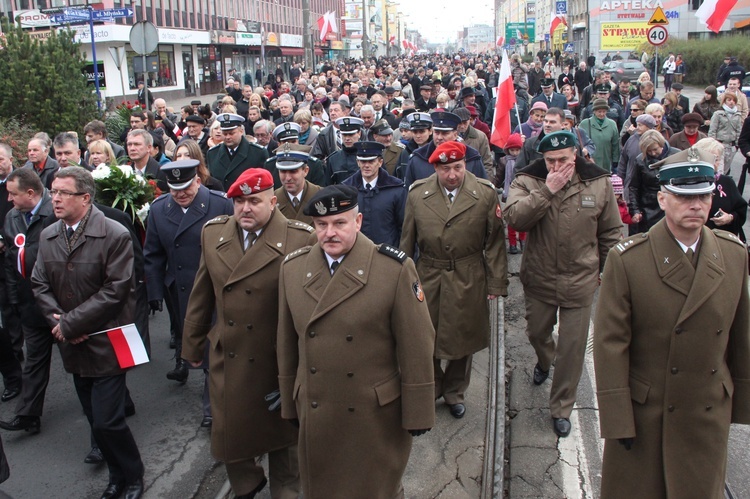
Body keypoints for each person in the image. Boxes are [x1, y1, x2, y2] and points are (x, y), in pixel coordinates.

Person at [593, 147, 750, 499]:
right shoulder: (629, 260)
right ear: (663, 199)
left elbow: (741, 335)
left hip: (706, 411)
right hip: (648, 415)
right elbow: (610, 344)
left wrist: (741, 404)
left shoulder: (733, 254)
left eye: (703, 196)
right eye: (683, 196)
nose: (695, 205)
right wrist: (618, 418)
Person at [277, 184, 435, 498]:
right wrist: (289, 401)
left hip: (372, 414)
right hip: (317, 408)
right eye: (321, 225)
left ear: (358, 221)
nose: (329, 233)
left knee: (374, 489)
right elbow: (286, 342)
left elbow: (417, 344)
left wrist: (418, 410)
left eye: (339, 223)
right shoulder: (293, 269)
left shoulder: (393, 270)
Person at [182, 168, 311, 499]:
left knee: (285, 436)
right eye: (239, 202)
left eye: (254, 201)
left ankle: (287, 491)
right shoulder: (214, 234)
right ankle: (248, 482)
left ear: (273, 201)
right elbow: (201, 294)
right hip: (231, 352)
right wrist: (192, 346)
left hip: (279, 356)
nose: (245, 209)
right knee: (229, 435)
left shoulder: (300, 238)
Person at [31, 167, 145, 499]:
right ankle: (116, 477)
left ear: (85, 197)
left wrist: (70, 325)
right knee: (95, 420)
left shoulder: (114, 233)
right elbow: (39, 284)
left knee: (109, 420)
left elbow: (116, 290)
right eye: (53, 191)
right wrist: (62, 323)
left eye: (63, 193)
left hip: (108, 342)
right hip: (73, 346)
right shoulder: (49, 234)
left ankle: (134, 475)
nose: (55, 198)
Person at [504, 130, 621, 437]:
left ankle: (561, 407)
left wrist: (609, 274)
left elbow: (610, 232)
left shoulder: (598, 182)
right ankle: (544, 361)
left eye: (564, 160)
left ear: (576, 155)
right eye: (551, 161)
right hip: (540, 278)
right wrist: (548, 191)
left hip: (581, 279)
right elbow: (515, 218)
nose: (557, 167)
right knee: (537, 333)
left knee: (572, 349)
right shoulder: (527, 179)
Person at [401, 141, 508, 419]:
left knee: (464, 335)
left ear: (465, 165)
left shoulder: (483, 193)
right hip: (429, 274)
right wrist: (401, 281)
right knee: (427, 335)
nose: (452, 175)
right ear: (435, 167)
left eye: (458, 168)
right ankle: (434, 384)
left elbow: (495, 242)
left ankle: (455, 391)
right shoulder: (417, 194)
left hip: (468, 273)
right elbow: (407, 242)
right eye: (446, 169)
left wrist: (496, 283)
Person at [144, 160, 233, 426]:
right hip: (180, 289)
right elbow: (152, 254)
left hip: (216, 287)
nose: (180, 194)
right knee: (190, 340)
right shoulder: (159, 210)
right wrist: (154, 291)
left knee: (212, 348)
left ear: (197, 181)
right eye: (174, 190)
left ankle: (212, 409)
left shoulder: (221, 204)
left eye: (185, 188)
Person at [342, 141, 406, 247]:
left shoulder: (396, 189)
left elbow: (403, 226)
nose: (366, 165)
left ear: (380, 162)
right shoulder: (347, 189)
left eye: (371, 161)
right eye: (363, 161)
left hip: (387, 253)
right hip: (356, 251)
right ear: (358, 162)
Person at [402, 111, 488, 188]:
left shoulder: (471, 157)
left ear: (455, 134)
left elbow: (483, 190)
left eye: (445, 133)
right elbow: (409, 193)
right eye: (437, 132)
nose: (439, 137)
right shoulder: (418, 158)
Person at [627, 130, 681, 233]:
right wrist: (635, 210)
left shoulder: (676, 155)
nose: (652, 153)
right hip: (648, 207)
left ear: (661, 144)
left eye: (655, 149)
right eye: (648, 151)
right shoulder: (640, 160)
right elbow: (634, 187)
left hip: (672, 203)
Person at [694, 137, 747, 240]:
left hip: (721, 242)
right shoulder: (686, 182)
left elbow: (740, 210)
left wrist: (730, 217)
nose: (713, 163)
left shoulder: (726, 182)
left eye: (717, 159)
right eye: (709, 158)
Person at [206, 113, 270, 190]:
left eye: (231, 133)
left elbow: (265, 184)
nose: (228, 137)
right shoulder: (213, 154)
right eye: (225, 134)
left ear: (241, 131)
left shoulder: (258, 153)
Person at [272, 146, 322, 225]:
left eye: (293, 171)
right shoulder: (272, 202)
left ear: (305, 171)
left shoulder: (321, 196)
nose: (288, 178)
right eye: (283, 171)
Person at [494, 133, 526, 254]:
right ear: (508, 150)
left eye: (517, 150)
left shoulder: (524, 160)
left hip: (523, 192)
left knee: (523, 218)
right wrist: (494, 185)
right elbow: (499, 176)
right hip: (509, 193)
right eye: (512, 150)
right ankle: (512, 243)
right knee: (511, 219)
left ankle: (523, 241)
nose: (515, 153)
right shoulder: (504, 161)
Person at [579, 98, 620, 172]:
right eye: (599, 112)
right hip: (590, 161)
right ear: (594, 111)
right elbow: (579, 142)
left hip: (606, 162)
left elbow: (615, 144)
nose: (602, 114)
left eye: (604, 111)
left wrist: (615, 160)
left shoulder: (612, 124)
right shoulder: (584, 124)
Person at [709, 92, 743, 174]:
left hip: (731, 146)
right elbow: (712, 130)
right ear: (724, 101)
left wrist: (738, 144)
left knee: (726, 169)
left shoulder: (738, 115)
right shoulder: (718, 114)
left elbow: (739, 130)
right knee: (719, 169)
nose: (732, 102)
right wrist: (713, 144)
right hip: (720, 143)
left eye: (734, 100)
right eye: (729, 100)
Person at [324, 116, 364, 185]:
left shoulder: (369, 156)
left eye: (351, 134)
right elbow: (327, 187)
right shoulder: (333, 159)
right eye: (344, 135)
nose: (347, 138)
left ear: (359, 134)